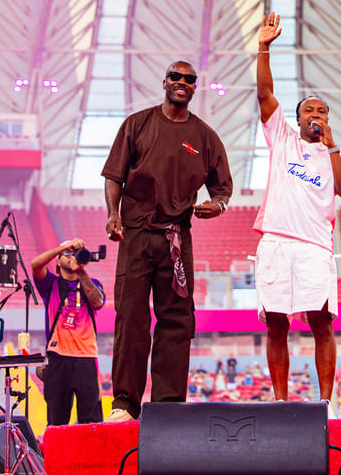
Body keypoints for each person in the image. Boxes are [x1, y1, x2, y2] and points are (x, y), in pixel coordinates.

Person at [101, 59, 233, 421]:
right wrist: (112, 214)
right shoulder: (137, 124)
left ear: (194, 88)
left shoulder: (205, 137)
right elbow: (114, 176)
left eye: (189, 79)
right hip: (136, 233)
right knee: (131, 317)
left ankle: (168, 406)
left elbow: (223, 189)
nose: (182, 82)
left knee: (176, 320)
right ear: (165, 82)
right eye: (176, 76)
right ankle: (125, 404)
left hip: (176, 237)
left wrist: (218, 206)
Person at [254, 12, 341, 405]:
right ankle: (280, 402)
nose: (316, 116)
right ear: (296, 119)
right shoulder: (283, 139)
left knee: (322, 324)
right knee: (276, 325)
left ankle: (325, 404)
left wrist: (331, 147)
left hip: (315, 247)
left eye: (322, 112)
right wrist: (264, 48)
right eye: (310, 112)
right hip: (277, 242)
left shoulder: (338, 154)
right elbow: (265, 94)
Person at [31, 237, 105, 426]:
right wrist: (62, 247)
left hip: (86, 358)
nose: (71, 256)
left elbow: (98, 302)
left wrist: (80, 271)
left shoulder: (92, 282)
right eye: (67, 254)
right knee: (56, 421)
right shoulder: (50, 284)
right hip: (58, 357)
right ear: (57, 261)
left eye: (74, 253)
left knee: (92, 423)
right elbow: (35, 265)